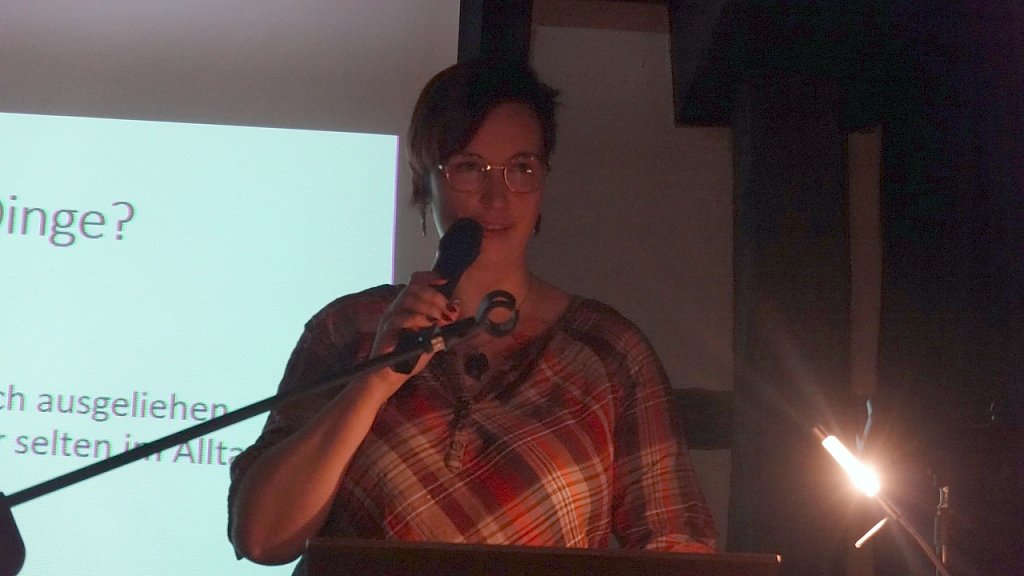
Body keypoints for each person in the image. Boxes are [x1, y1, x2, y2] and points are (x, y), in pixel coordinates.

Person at [227, 59, 717, 573]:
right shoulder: (350, 327)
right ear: (426, 180)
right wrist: (373, 383)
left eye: (521, 168)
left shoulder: (607, 350)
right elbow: (262, 537)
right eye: (469, 167)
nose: (496, 197)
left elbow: (677, 544)